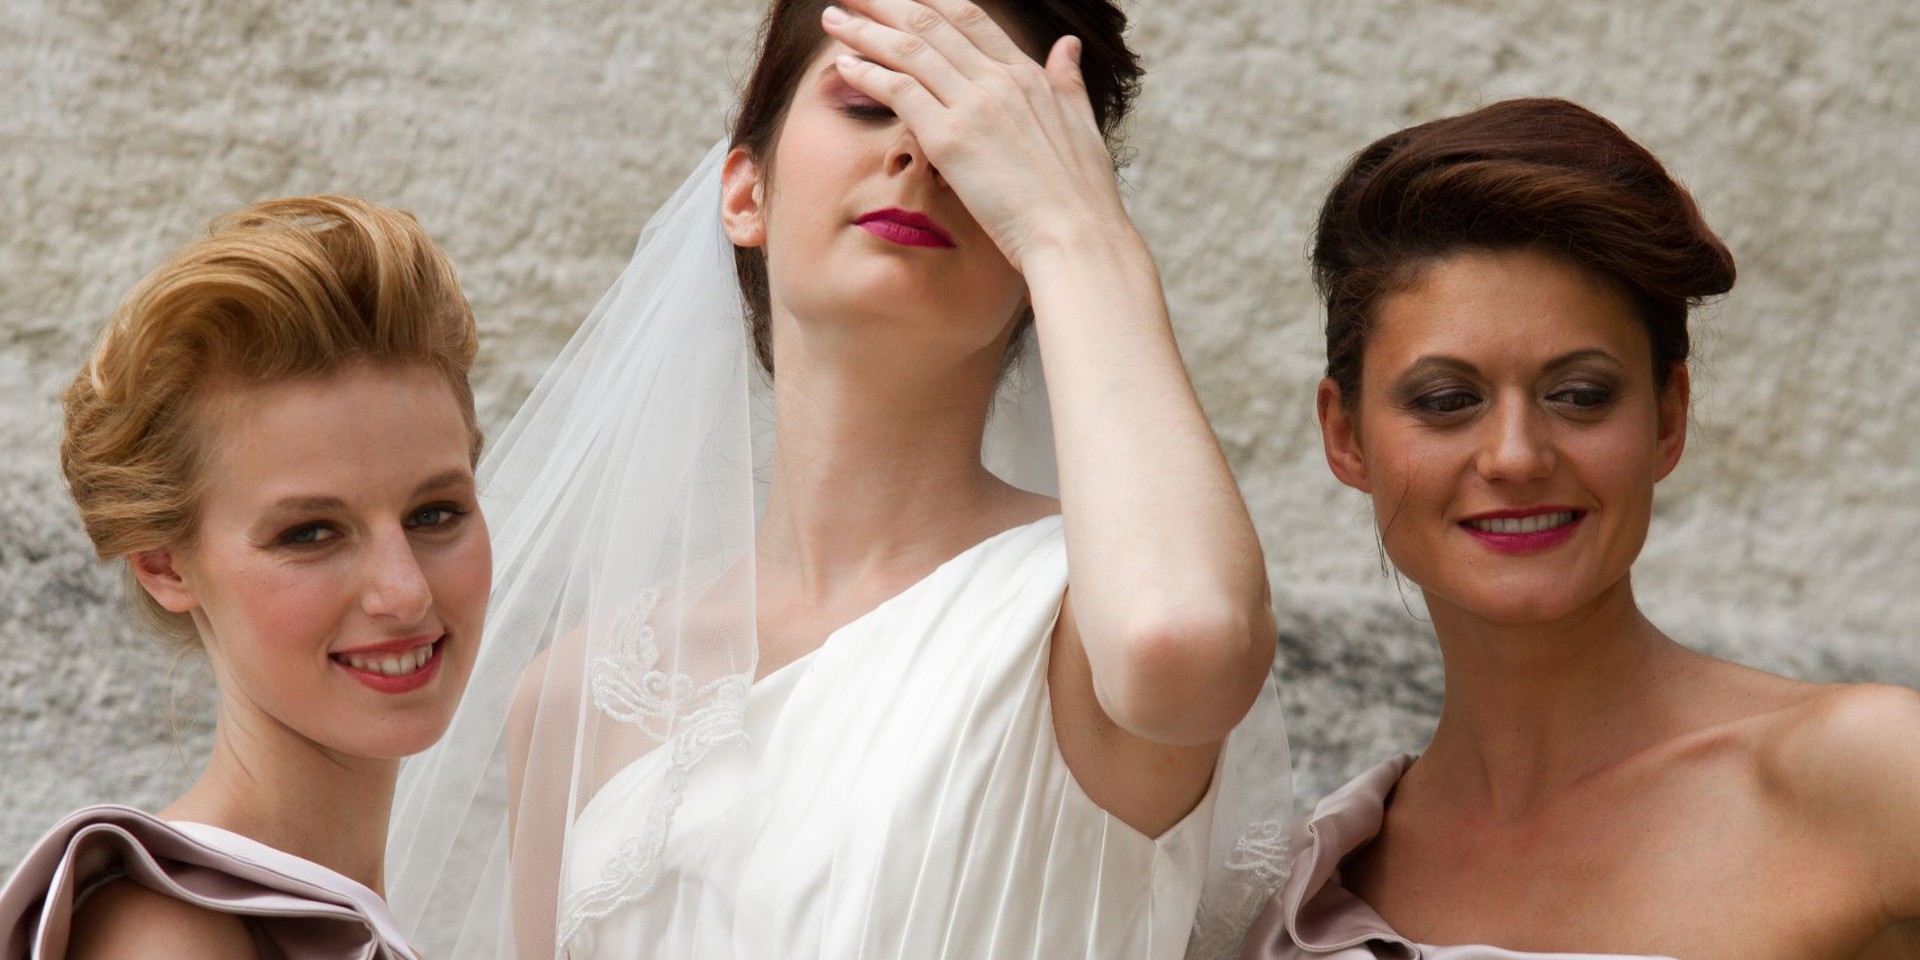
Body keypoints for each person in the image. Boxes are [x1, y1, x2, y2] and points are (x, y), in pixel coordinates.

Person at [382, 1, 1293, 958]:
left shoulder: (1083, 624)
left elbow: (1180, 644)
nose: (919, 151)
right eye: (867, 102)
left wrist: (1076, 230)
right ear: (746, 192)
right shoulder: (580, 694)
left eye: (978, 130)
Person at [1242, 97, 1920, 959]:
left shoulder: (1868, 772)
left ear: (1669, 418)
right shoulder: (1315, 877)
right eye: (1447, 400)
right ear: (1345, 436)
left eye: (1581, 395)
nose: (1517, 456)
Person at [0, 197, 491, 959]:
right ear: (165, 565)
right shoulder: (167, 934)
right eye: (310, 532)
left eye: (435, 514)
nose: (405, 593)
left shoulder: (298, 914)